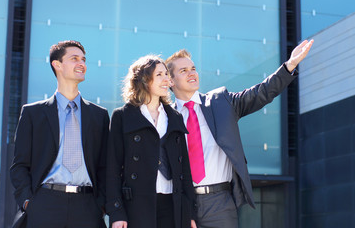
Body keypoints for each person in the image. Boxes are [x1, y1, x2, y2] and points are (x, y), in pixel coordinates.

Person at [165, 40, 314, 228]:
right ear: (170, 81)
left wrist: (290, 65)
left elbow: (261, 93)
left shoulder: (221, 102)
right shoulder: (165, 118)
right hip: (183, 203)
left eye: (193, 68)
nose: (192, 73)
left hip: (220, 204)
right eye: (183, 70)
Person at [10, 40, 109, 228]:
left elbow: (104, 166)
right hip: (45, 203)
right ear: (57, 65)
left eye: (83, 59)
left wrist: (101, 204)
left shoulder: (100, 116)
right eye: (74, 59)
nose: (82, 64)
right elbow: (19, 165)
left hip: (87, 206)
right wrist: (28, 201)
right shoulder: (33, 113)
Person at [106, 55, 196, 228]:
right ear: (144, 80)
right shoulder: (123, 116)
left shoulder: (175, 117)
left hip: (173, 205)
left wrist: (190, 213)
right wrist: (117, 212)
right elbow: (113, 168)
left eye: (167, 74)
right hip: (137, 207)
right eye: (160, 75)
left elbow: (184, 168)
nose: (166, 79)